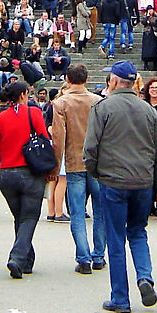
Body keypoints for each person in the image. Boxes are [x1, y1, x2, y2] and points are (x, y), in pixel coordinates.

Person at [84, 60, 157, 313]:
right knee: (138, 232)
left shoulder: (102, 108)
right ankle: (145, 277)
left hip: (113, 181)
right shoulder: (148, 110)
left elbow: (90, 148)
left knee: (116, 237)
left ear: (113, 81)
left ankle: (120, 297)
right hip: (143, 182)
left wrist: (96, 172)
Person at [0, 81, 53, 279]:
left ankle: (27, 260)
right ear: (24, 94)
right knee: (28, 217)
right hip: (29, 172)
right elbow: (44, 137)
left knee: (20, 217)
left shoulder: (0, 117)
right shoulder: (33, 113)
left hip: (8, 174)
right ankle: (17, 257)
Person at [51, 64, 106, 274]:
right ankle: (99, 255)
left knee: (77, 212)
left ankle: (83, 258)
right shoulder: (98, 102)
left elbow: (58, 137)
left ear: (67, 78)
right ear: (86, 78)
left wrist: (56, 167)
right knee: (100, 210)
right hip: (97, 163)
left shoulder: (61, 103)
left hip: (74, 162)